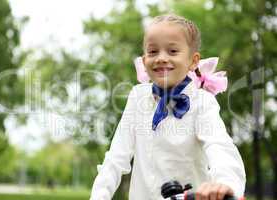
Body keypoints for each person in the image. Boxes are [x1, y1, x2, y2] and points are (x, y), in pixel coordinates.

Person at [90, 14, 246, 200]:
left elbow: (220, 147)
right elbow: (116, 158)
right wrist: (99, 195)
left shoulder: (202, 102)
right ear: (144, 59)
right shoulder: (137, 97)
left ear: (193, 61)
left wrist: (225, 184)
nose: (161, 58)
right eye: (153, 51)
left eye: (172, 51)